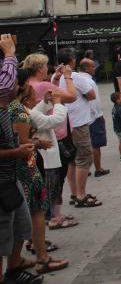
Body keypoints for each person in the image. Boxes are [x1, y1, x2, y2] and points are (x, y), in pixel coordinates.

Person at [12, 75, 69, 275]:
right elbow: (45, 123)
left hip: (23, 168)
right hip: (26, 168)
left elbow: (32, 117)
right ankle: (41, 258)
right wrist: (57, 103)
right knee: (36, 211)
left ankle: (17, 260)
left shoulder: (15, 109)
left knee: (25, 213)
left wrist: (45, 103)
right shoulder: (16, 110)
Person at [0, 34, 43, 284]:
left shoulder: (5, 109)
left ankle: (14, 271)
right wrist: (9, 53)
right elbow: (5, 84)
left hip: (10, 178)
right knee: (3, 236)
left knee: (20, 226)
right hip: (3, 181)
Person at [57, 49, 101, 209]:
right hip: (78, 122)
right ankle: (81, 194)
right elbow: (91, 95)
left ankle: (74, 193)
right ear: (72, 61)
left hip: (65, 122)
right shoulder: (75, 77)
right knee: (84, 156)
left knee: (72, 160)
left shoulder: (57, 77)